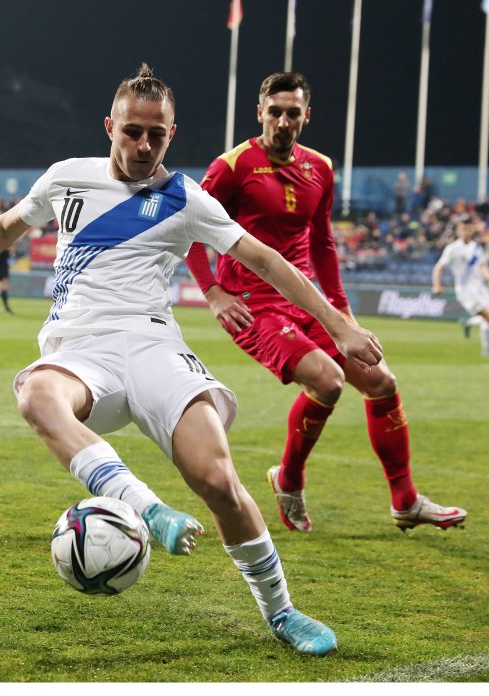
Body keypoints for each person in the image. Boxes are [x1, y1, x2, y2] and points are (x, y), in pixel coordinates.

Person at [0, 64, 386, 656]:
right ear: (109, 127)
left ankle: (282, 612)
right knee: (36, 395)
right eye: (132, 132)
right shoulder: (67, 177)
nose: (143, 146)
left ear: (172, 134)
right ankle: (146, 508)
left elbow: (267, 260)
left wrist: (339, 326)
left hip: (154, 348)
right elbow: (6, 227)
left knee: (218, 480)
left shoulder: (185, 198)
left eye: (156, 135)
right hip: (81, 349)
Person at [185, 71, 467, 536]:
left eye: (292, 113)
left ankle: (406, 501)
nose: (283, 121)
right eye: (274, 112)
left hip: (308, 301)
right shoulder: (232, 166)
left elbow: (322, 243)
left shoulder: (321, 167)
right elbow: (189, 228)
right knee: (328, 380)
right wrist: (213, 291)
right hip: (254, 305)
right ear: (259, 113)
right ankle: (289, 480)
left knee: (381, 381)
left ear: (306, 116)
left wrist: (341, 312)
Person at [432, 213, 489, 359]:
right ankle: (487, 350)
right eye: (463, 228)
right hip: (466, 291)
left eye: (468, 227)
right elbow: (438, 267)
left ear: (472, 229)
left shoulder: (476, 247)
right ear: (458, 230)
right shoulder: (452, 248)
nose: (466, 230)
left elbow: (482, 265)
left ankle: (469, 323)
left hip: (480, 288)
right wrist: (437, 285)